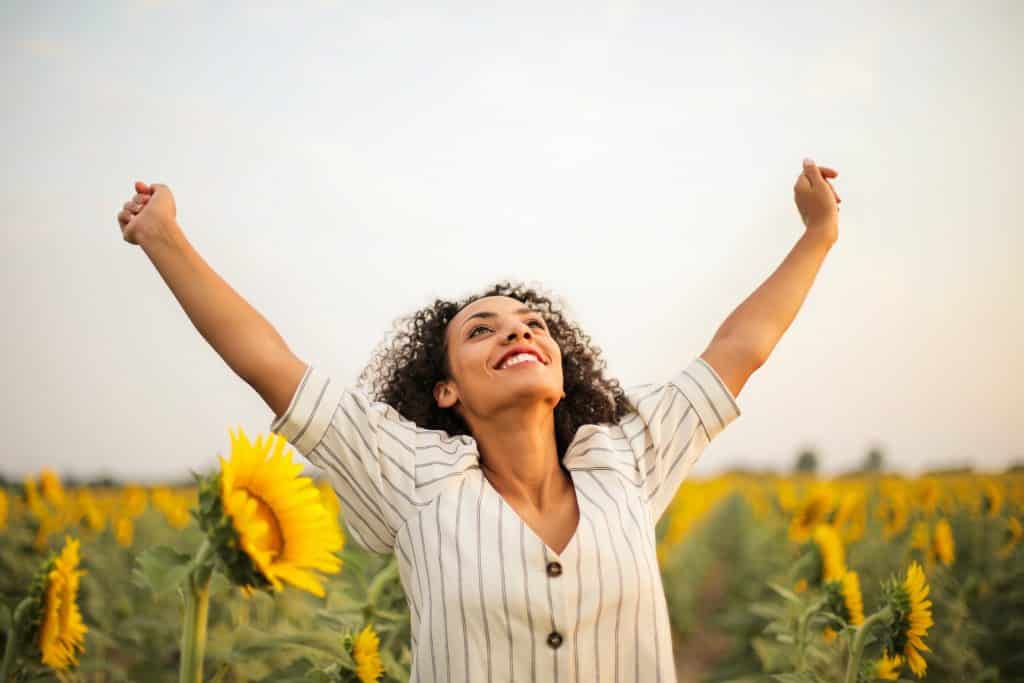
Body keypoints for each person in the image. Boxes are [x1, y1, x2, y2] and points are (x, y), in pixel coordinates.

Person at [114, 159, 840, 681]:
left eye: (532, 325)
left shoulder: (626, 457)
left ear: (562, 369)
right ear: (445, 392)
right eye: (482, 331)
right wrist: (164, 237)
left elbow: (740, 349)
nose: (518, 334)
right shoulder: (411, 478)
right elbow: (267, 361)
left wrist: (817, 235)